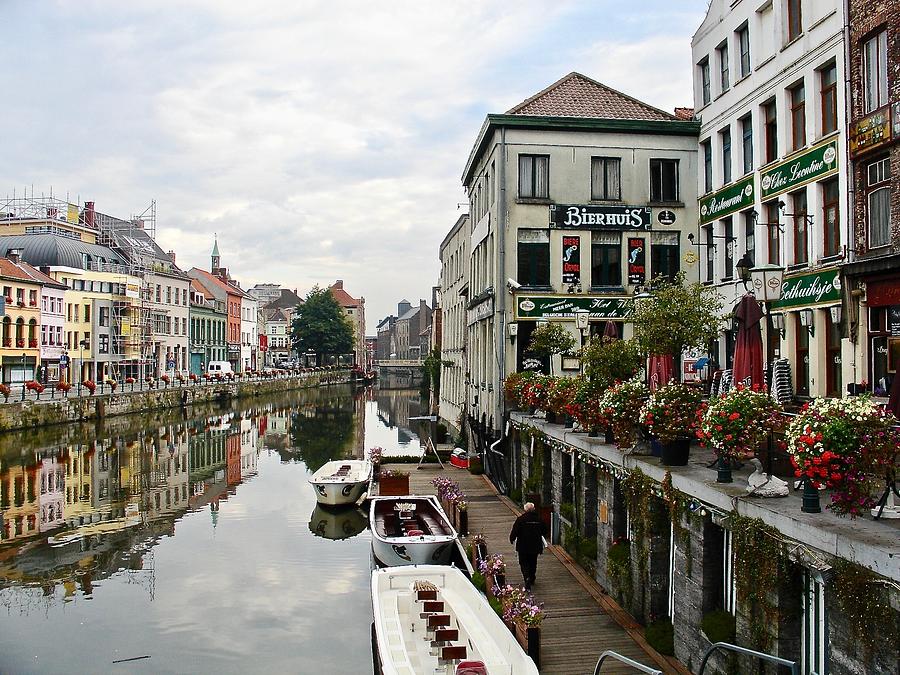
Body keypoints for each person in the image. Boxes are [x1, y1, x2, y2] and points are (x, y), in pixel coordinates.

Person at [509, 502, 547, 590]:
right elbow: (544, 530)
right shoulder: (539, 519)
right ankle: (532, 577)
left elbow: (515, 530)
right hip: (535, 545)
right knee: (533, 562)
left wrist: (512, 538)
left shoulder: (521, 519)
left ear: (525, 510)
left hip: (523, 545)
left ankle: (526, 577)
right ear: (533, 509)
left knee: (523, 562)